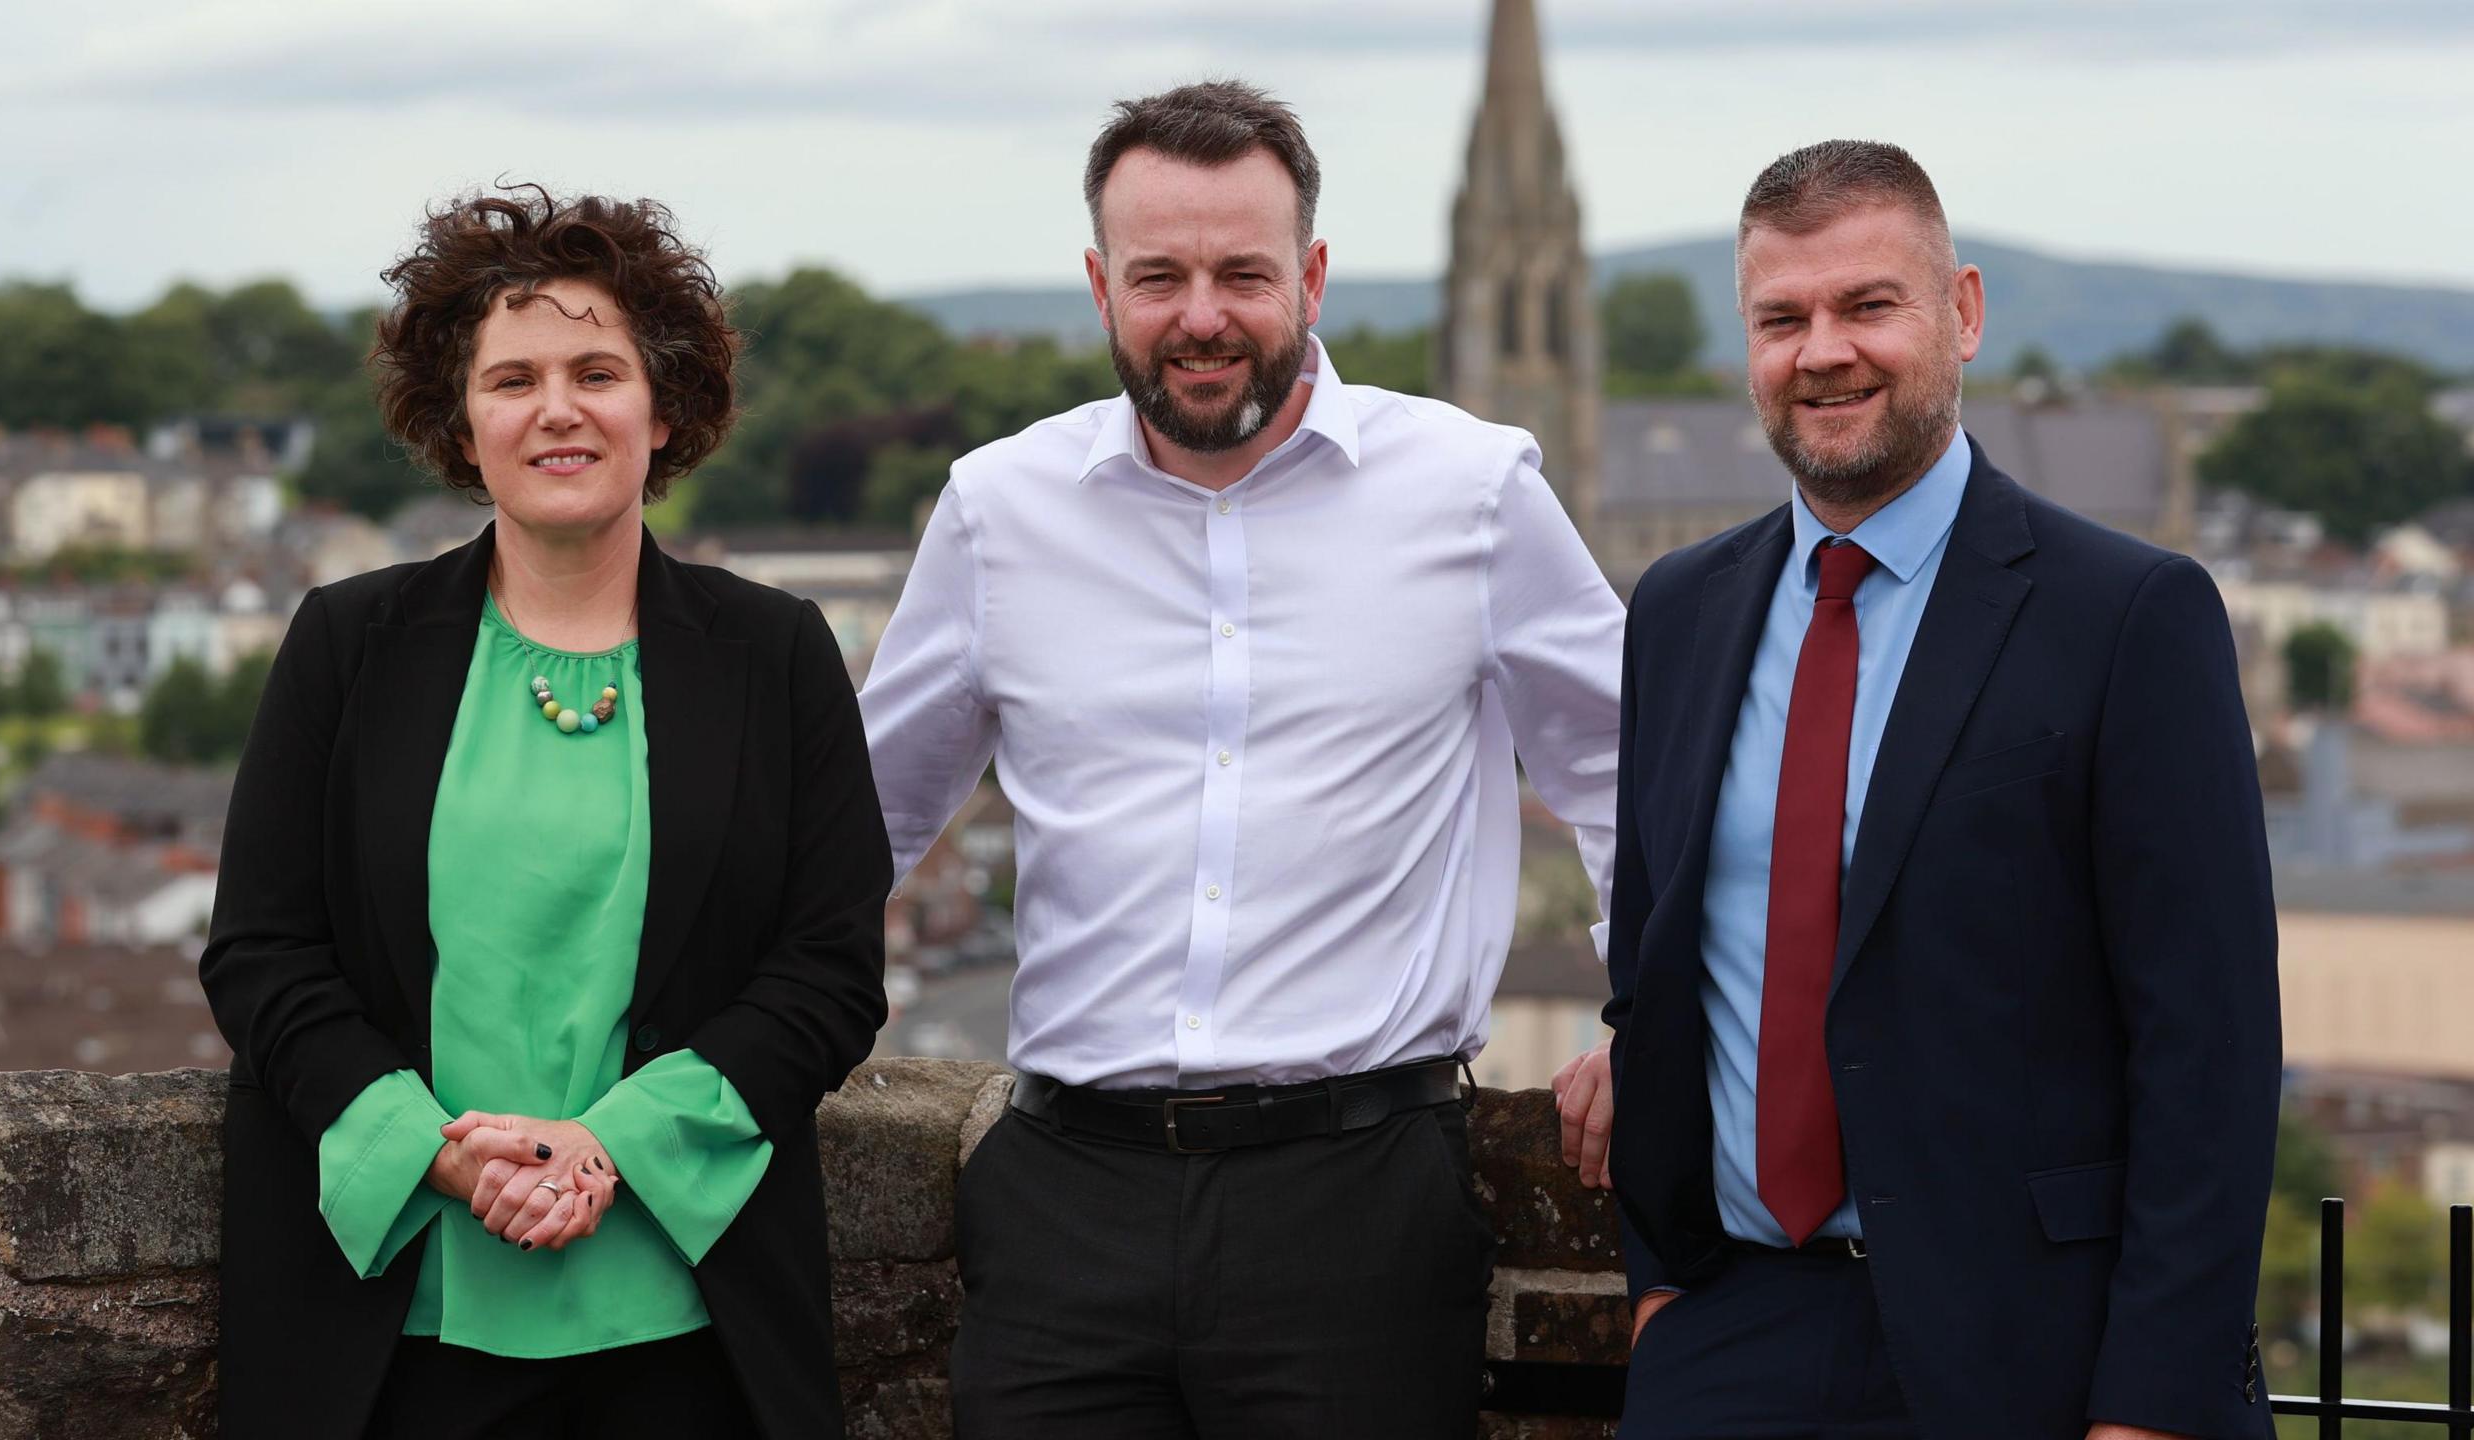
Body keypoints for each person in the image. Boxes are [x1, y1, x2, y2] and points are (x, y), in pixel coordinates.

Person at [858, 79, 1625, 1438]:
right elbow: (858, 823)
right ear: (1101, 285)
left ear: (1313, 276)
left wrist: (1648, 1012)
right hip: (1061, 1203)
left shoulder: (1475, 490)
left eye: (1242, 273)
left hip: (1360, 1205)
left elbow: (1634, 774)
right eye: (1159, 275)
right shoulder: (997, 511)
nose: (1201, 315)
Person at [1550, 140, 2279, 1439]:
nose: (1822, 351)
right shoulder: (1677, 612)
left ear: (1965, 312)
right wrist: (1669, 1296)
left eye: (1868, 305)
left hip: (2033, 1362)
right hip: (1736, 1341)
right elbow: (1661, 955)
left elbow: (2210, 1054)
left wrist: (2153, 1409)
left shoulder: (2128, 616)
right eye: (1783, 318)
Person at [201, 186, 891, 1440]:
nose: (557, 409)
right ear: (462, 424)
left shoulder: (777, 654)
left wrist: (607, 1147)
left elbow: (828, 973)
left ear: (662, 406)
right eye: (512, 378)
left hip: (694, 1330)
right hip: (389, 1325)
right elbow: (262, 955)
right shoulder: (345, 646)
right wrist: (442, 1152)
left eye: (597, 370)